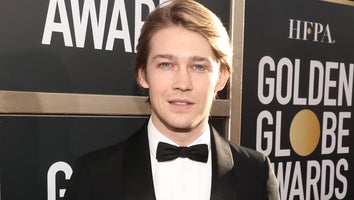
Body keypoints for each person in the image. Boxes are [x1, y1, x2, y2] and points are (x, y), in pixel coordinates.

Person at [64, 0, 280, 199]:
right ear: (142, 74)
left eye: (198, 66)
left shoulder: (255, 173)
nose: (182, 83)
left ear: (222, 77)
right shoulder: (95, 175)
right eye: (166, 64)